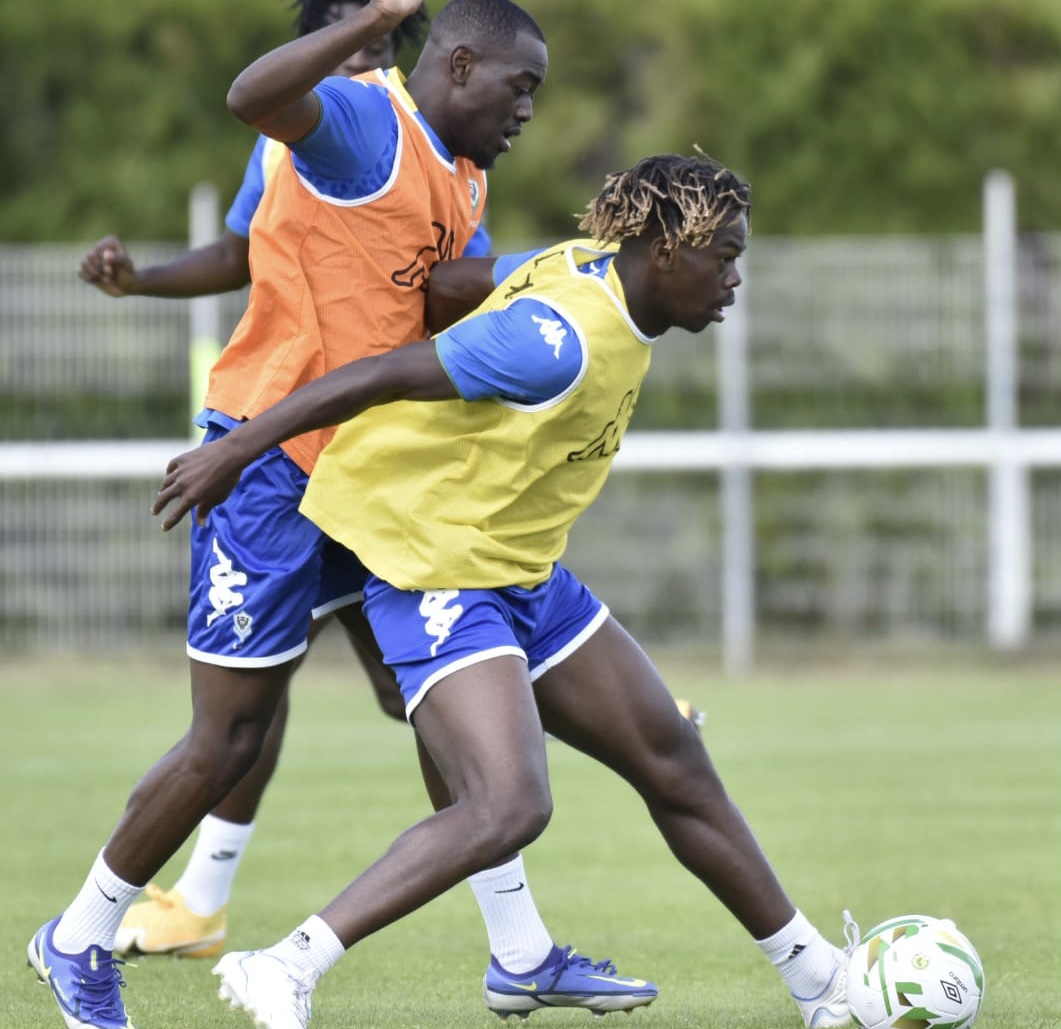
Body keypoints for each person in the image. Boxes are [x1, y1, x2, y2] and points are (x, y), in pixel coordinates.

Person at [27, 4, 656, 1029]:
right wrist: (374, 19)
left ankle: (520, 950)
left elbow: (434, 295)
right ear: (454, 64)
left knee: (433, 701)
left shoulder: (463, 170)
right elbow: (251, 100)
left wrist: (529, 282)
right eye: (520, 87)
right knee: (225, 745)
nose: (530, 110)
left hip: (365, 477)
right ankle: (78, 936)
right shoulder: (371, 123)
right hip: (269, 470)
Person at [147, 151, 856, 1029]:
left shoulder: (589, 277)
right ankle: (283, 967)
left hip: (519, 569)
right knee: (510, 803)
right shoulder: (554, 339)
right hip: (437, 565)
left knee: (671, 755)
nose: (735, 278)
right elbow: (378, 375)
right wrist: (235, 446)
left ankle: (824, 984)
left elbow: (456, 278)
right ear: (665, 251)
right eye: (724, 257)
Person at [74, 0, 481, 965]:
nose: (370, 51)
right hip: (270, 449)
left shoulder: (440, 152)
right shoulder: (308, 122)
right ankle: (154, 913)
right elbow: (244, 252)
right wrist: (146, 281)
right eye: (353, 32)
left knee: (418, 683)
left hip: (365, 456)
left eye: (384, 38)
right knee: (240, 716)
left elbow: (435, 285)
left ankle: (519, 936)